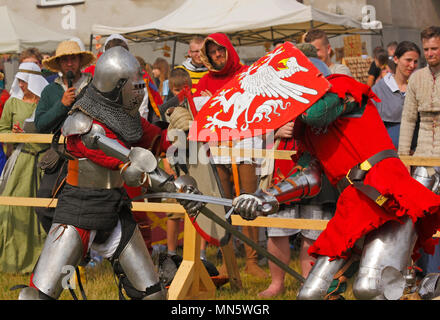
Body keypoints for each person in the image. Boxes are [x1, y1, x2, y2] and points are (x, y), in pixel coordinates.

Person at [231, 66, 440, 299]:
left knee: (370, 287)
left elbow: (316, 114)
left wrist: (294, 103)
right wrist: (263, 199)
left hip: (386, 190)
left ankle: (424, 290)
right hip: (353, 204)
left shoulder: (340, 86)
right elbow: (309, 177)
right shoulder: (307, 131)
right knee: (310, 294)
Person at [16, 46, 204, 300]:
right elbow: (125, 160)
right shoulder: (82, 123)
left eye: (140, 85)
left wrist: (184, 134)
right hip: (78, 212)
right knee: (39, 297)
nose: (138, 91)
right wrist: (172, 186)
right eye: (133, 85)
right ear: (116, 86)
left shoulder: (126, 116)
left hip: (114, 208)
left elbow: (155, 139)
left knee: (153, 296)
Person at [257, 43, 339, 298]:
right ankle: (277, 283)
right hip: (284, 166)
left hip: (317, 161)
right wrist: (275, 130)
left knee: (313, 230)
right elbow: (258, 121)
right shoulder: (275, 87)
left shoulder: (326, 85)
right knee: (279, 228)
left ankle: (308, 282)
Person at [194, 32, 267, 279]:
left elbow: (257, 104)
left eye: (221, 50)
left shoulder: (246, 74)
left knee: (248, 201)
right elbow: (200, 116)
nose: (218, 55)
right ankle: (228, 261)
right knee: (224, 204)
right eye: (213, 52)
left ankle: (252, 260)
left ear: (228, 50)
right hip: (217, 147)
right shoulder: (204, 82)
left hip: (245, 143)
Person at [34, 40, 95, 233]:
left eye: (73, 58)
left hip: (91, 155)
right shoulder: (50, 90)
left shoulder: (93, 86)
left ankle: (91, 253)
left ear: (80, 61)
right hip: (60, 156)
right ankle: (64, 248)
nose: (69, 63)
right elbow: (40, 124)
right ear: (59, 64)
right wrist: (62, 104)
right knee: (44, 205)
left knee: (93, 207)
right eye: (65, 59)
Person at [399, 26, 440, 281]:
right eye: (425, 49)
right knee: (418, 215)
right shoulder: (416, 78)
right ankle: (420, 274)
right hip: (424, 152)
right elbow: (408, 119)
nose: (429, 54)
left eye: (434, 48)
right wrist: (404, 158)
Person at [0, 62, 49, 273]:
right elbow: (2, 128)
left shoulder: (45, 104)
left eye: (24, 80)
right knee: (12, 208)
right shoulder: (13, 103)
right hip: (21, 162)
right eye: (19, 80)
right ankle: (13, 260)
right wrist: (15, 134)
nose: (20, 84)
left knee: (41, 211)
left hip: (43, 163)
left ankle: (40, 263)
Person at [372, 41, 421, 149]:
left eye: (415, 61)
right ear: (395, 59)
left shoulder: (420, 88)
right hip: (386, 153)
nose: (412, 65)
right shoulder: (379, 90)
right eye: (408, 60)